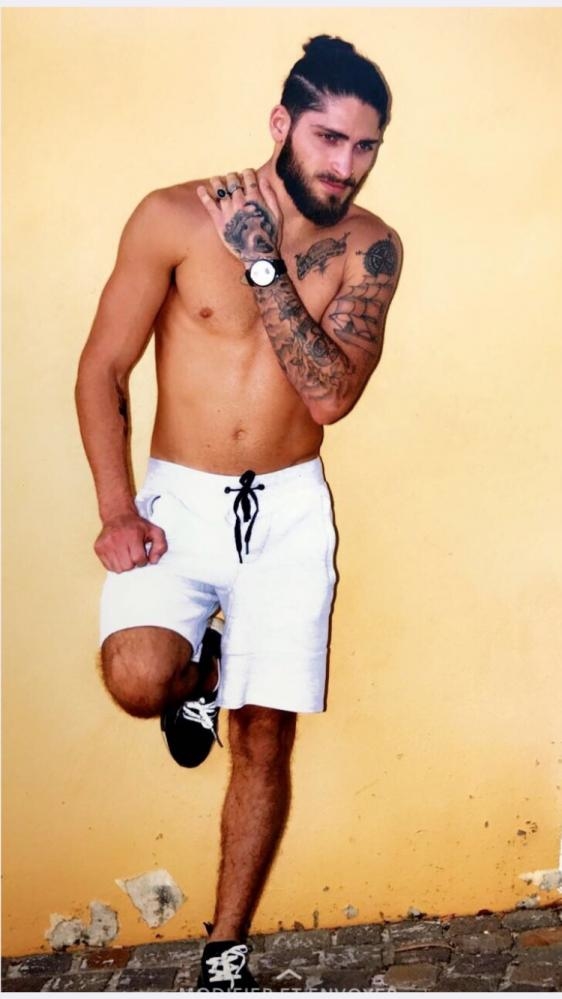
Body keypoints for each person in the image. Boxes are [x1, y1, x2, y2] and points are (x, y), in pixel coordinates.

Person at [75, 34, 402, 991]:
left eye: (365, 146)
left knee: (263, 733)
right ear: (280, 124)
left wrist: (263, 265)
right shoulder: (172, 217)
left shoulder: (370, 248)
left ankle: (225, 952)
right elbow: (102, 367)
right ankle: (202, 670)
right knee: (139, 677)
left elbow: (329, 396)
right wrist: (116, 508)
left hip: (289, 510)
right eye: (328, 138)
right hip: (178, 498)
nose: (345, 165)